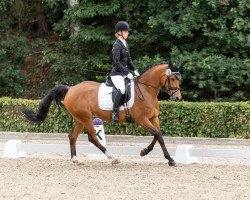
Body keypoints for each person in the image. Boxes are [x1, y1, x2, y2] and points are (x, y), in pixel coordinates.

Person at [110, 21, 140, 122]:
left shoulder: (125, 43)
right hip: (117, 74)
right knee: (122, 89)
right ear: (119, 33)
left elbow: (129, 59)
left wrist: (135, 70)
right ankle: (114, 112)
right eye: (126, 31)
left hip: (124, 74)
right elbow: (116, 62)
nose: (128, 33)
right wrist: (127, 73)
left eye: (127, 32)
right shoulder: (116, 45)